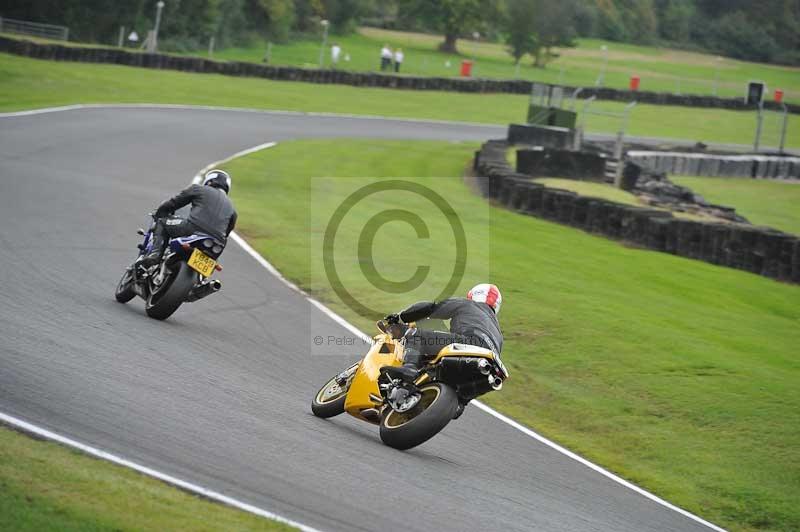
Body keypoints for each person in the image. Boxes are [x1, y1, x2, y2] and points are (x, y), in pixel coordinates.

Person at [382, 283, 503, 383]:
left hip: (468, 344)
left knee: (417, 336)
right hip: (489, 364)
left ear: (473, 295)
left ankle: (409, 368)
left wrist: (400, 318)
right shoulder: (498, 333)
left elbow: (430, 308)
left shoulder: (468, 304)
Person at [141, 169, 237, 265]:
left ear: (209, 181)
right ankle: (201, 278)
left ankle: (155, 254)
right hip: (216, 243)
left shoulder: (199, 189)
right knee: (211, 261)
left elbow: (173, 203)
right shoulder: (232, 208)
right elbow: (227, 232)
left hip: (192, 229)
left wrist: (160, 213)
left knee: (162, 222)